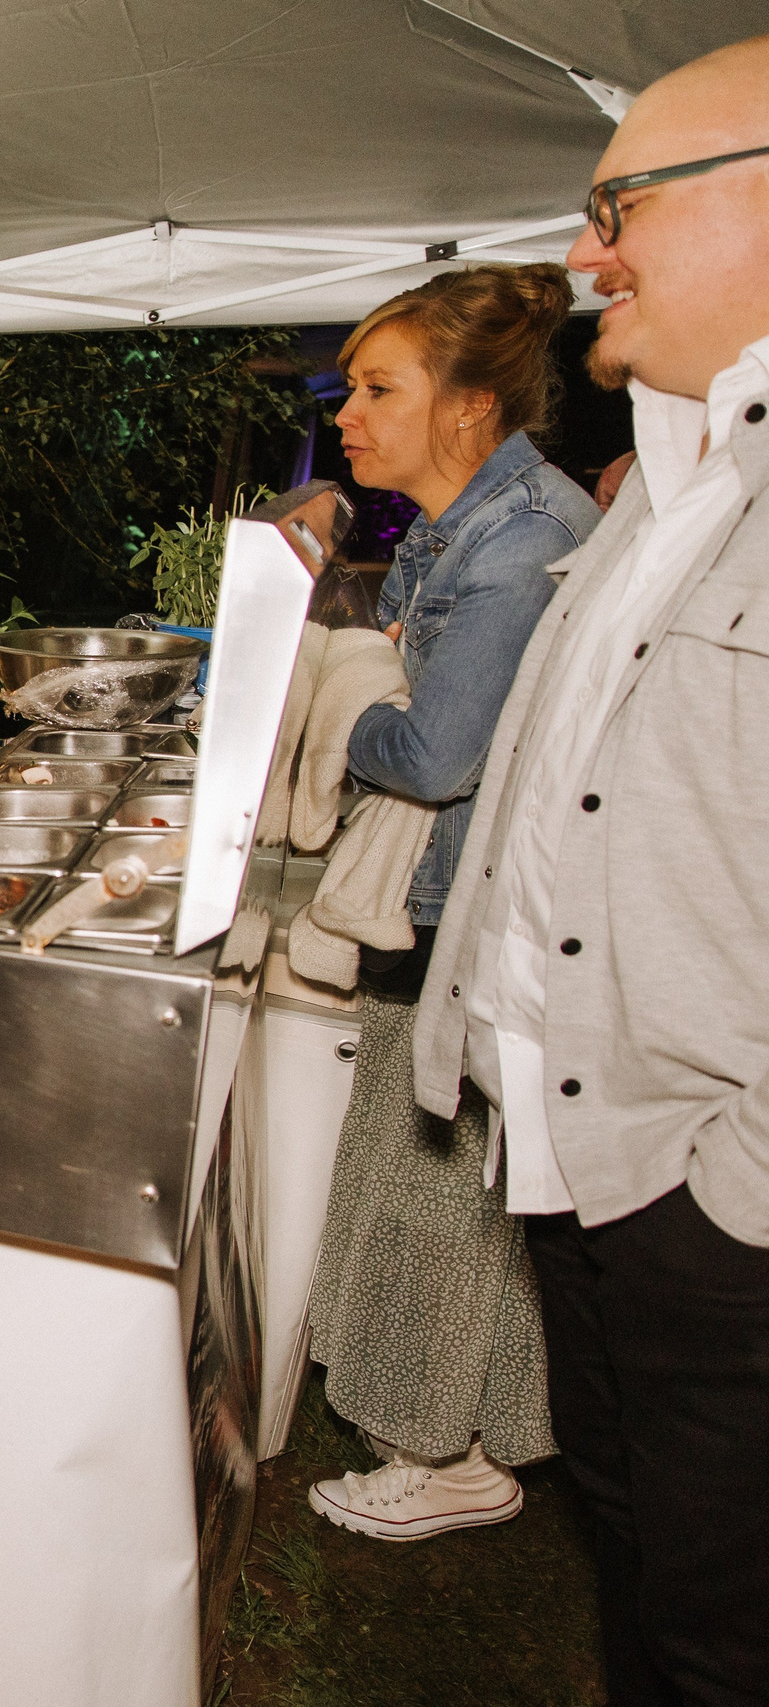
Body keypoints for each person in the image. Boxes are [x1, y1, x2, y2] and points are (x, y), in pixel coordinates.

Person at [411, 34, 769, 1702]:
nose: (585, 251)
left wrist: (730, 1194)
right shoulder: (669, 478)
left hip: (718, 1204)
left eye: (621, 203)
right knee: (641, 1570)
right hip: (584, 1164)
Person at [303, 264, 600, 1540]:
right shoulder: (453, 521)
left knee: (436, 1195)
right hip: (447, 899)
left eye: (378, 389)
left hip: (475, 912)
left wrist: (328, 701)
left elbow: (435, 758)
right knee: (422, 1176)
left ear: (469, 407)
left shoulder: (522, 535)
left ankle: (445, 1454)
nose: (348, 416)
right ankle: (457, 1429)